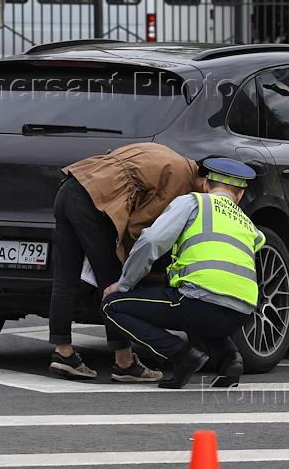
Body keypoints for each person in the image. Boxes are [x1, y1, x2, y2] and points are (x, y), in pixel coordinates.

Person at [101, 157, 261, 390]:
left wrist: (125, 283)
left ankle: (181, 355)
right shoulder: (249, 225)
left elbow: (151, 240)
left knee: (111, 306)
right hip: (240, 314)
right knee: (202, 312)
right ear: (240, 195)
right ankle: (230, 359)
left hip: (198, 302)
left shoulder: (193, 202)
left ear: (205, 185)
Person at [47, 143, 198, 382]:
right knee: (113, 280)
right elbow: (141, 227)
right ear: (204, 182)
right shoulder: (182, 180)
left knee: (65, 277)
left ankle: (63, 352)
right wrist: (139, 267)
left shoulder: (167, 154)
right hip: (93, 203)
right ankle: (124, 362)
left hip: (70, 187)